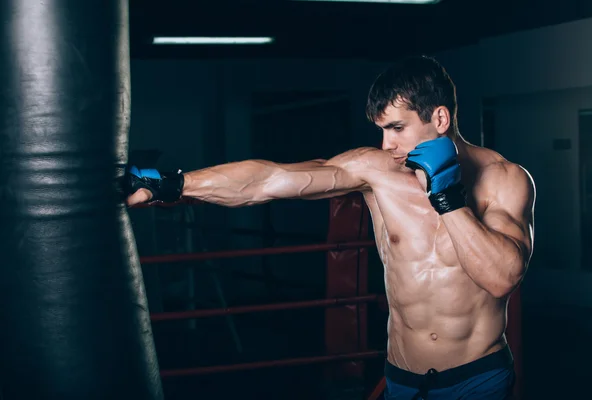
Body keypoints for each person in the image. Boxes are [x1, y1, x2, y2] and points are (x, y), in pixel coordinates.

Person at [125, 55, 535, 400]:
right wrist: (173, 185)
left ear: (440, 117)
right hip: (402, 379)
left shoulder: (504, 179)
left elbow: (502, 278)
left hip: (475, 381)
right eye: (381, 130)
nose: (386, 144)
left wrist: (447, 198)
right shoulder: (377, 171)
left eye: (396, 128)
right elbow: (269, 180)